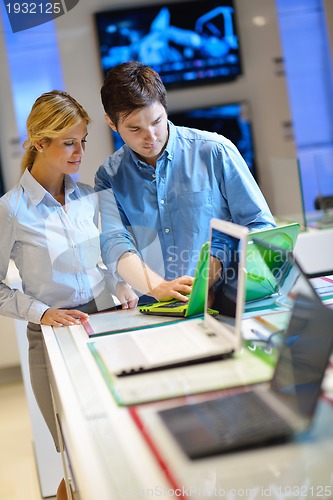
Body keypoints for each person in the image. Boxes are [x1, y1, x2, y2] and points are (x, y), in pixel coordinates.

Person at [0, 90, 137, 499]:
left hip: (103, 325)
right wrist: (41, 313)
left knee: (116, 449)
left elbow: (100, 263)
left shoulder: (88, 197)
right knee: (76, 460)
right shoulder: (12, 209)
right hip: (53, 341)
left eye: (82, 142)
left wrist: (119, 283)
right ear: (40, 143)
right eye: (68, 142)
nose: (79, 152)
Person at [95, 60, 276, 305]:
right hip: (156, 310)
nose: (150, 137)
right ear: (111, 123)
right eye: (135, 129)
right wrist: (159, 288)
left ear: (165, 107)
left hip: (223, 304)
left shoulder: (215, 151)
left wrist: (209, 274)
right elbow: (115, 245)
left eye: (156, 121)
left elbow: (260, 225)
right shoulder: (109, 176)